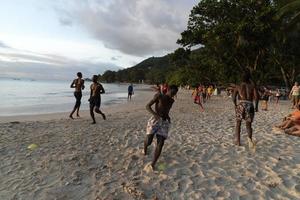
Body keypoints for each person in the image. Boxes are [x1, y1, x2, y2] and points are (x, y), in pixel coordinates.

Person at [144, 85, 178, 170]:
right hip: (155, 120)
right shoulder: (159, 96)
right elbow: (147, 106)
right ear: (168, 90)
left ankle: (153, 164)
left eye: (175, 93)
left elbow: (166, 111)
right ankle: (144, 148)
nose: (173, 95)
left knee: (161, 142)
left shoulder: (171, 101)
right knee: (149, 140)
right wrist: (155, 115)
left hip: (164, 122)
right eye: (172, 92)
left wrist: (168, 117)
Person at [232, 71, 259, 146]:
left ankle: (238, 141)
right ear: (249, 78)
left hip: (241, 104)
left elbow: (233, 98)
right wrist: (256, 107)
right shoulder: (252, 86)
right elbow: (256, 97)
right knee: (248, 125)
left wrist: (235, 105)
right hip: (250, 105)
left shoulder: (238, 86)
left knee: (238, 123)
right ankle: (249, 140)